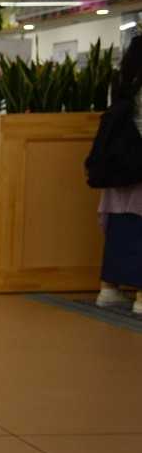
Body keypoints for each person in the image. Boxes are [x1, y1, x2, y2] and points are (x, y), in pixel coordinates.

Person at [96, 36, 142, 315]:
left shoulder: (119, 83)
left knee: (118, 229)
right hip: (139, 167)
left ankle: (108, 288)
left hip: (116, 168)